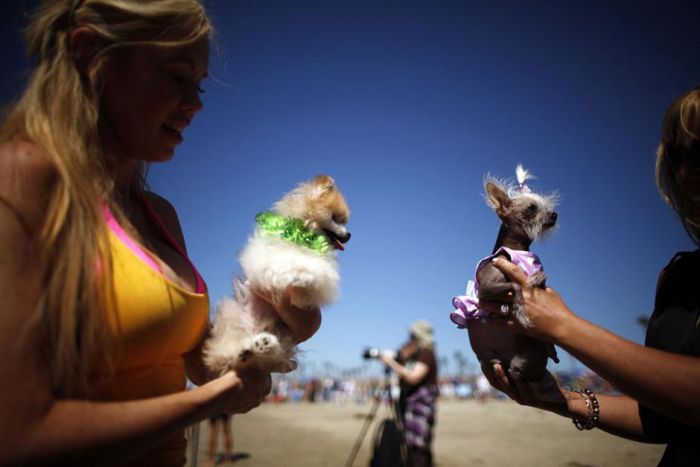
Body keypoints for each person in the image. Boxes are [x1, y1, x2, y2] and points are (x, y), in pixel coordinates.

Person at [0, 1, 320, 465]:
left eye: (199, 86)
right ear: (90, 52)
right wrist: (214, 399)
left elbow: (197, 362)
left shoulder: (160, 217)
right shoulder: (23, 179)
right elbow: (18, 435)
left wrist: (279, 325)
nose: (193, 105)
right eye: (176, 77)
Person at [478, 86, 700, 466]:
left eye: (698, 153)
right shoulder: (677, 278)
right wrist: (565, 402)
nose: (683, 173)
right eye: (676, 157)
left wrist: (563, 327)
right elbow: (664, 418)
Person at [381, 320, 439, 467]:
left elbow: (414, 377)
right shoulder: (417, 353)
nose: (409, 338)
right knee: (410, 444)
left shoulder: (426, 352)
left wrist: (391, 363)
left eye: (412, 335)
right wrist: (400, 356)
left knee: (417, 446)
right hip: (413, 403)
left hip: (420, 404)